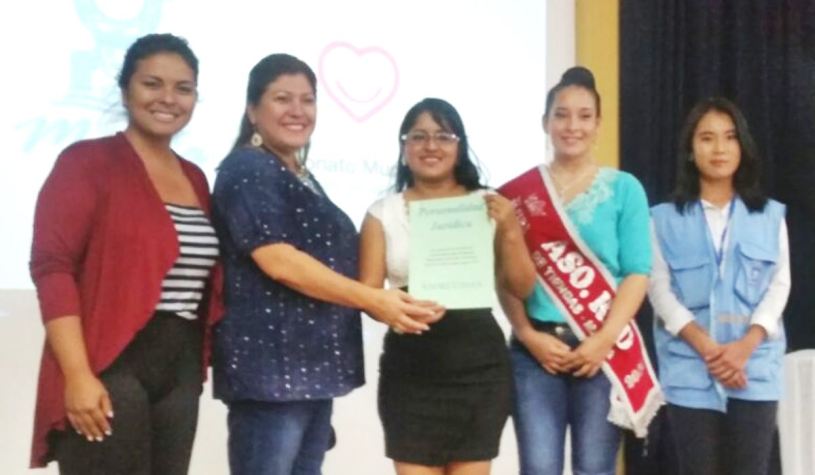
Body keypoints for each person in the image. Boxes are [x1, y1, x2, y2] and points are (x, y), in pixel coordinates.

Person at [211, 54, 442, 475]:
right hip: (273, 375)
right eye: (282, 98)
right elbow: (278, 260)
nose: (297, 110)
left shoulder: (295, 171)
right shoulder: (249, 168)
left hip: (307, 373)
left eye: (307, 99)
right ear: (252, 110)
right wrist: (372, 298)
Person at [28, 33, 222, 474]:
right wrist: (78, 375)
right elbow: (52, 268)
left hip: (179, 368)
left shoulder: (195, 178)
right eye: (152, 83)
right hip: (107, 361)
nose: (168, 98)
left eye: (183, 88)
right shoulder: (86, 161)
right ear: (124, 89)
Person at [358, 97, 536, 475]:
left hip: (479, 369)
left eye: (443, 136)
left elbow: (522, 287)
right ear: (404, 148)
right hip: (411, 371)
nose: (431, 146)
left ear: (460, 146)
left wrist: (509, 228)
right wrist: (392, 306)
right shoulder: (382, 213)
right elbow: (368, 294)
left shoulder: (487, 204)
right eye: (418, 136)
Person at [498, 66, 660, 475]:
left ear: (598, 124)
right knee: (539, 468)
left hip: (602, 351)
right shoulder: (516, 195)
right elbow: (505, 279)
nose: (573, 126)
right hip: (536, 353)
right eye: (562, 115)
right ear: (545, 122)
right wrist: (527, 334)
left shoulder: (624, 189)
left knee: (595, 467)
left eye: (585, 116)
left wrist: (603, 340)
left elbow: (637, 273)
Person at [649, 97, 790, 475]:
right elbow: (659, 290)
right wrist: (710, 350)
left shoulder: (770, 215)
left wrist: (744, 348)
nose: (719, 149)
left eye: (729, 137)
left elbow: (780, 285)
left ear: (742, 146)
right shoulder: (662, 219)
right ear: (690, 149)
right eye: (707, 138)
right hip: (690, 368)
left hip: (753, 369)